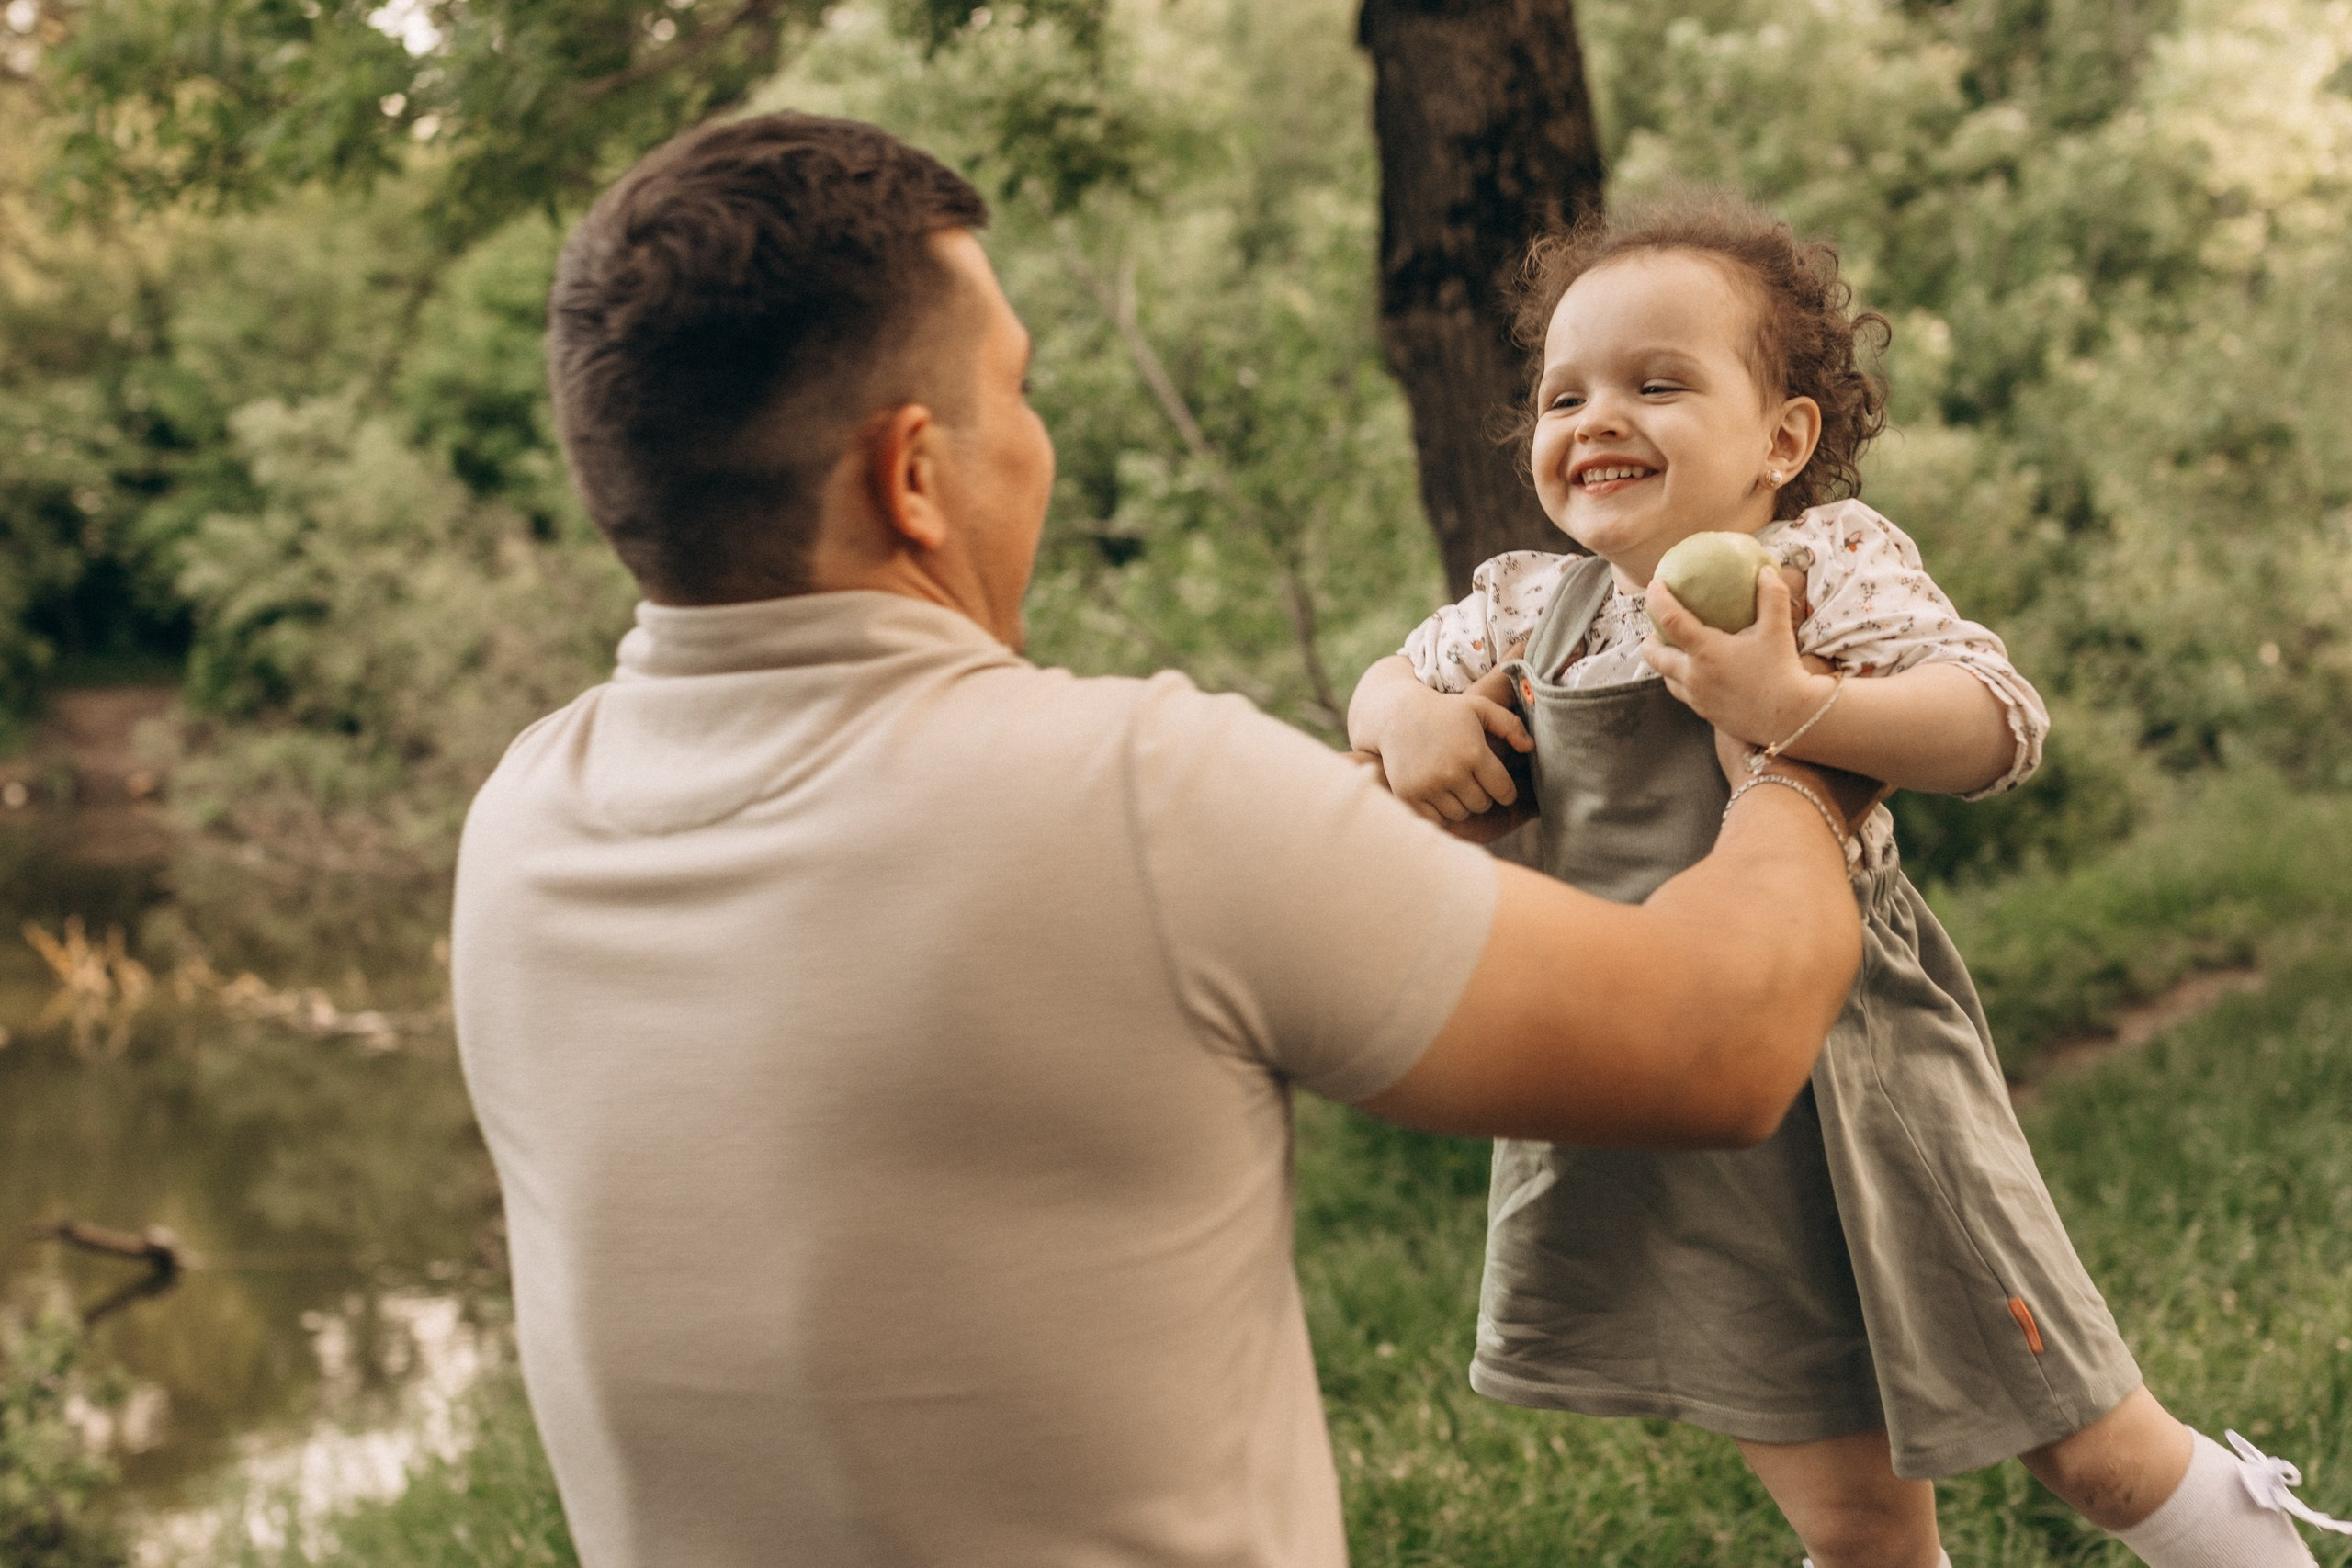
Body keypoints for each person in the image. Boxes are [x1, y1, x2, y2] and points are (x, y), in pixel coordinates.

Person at [447, 115, 1875, 1568]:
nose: (1039, 441)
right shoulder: (1137, 795)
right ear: (914, 477)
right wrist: (1799, 744)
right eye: (1016, 392)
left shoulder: (519, 825)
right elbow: (1722, 1044)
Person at [1346, 193, 2350, 1568]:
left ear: (1783, 440)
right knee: (1852, 1521)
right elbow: (1386, 683)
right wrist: (1404, 715)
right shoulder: (1528, 606)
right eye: (1562, 395)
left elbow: (1996, 721)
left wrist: (1795, 702)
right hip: (1666, 1091)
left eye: (1657, 383)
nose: (1597, 419)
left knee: (2087, 1442)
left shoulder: (1817, 567)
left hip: (1860, 1073)